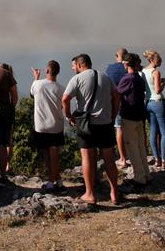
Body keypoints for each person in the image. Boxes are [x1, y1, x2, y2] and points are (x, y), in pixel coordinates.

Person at [62, 53, 120, 205]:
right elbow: (116, 96)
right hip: (105, 123)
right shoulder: (105, 77)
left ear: (80, 65)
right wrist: (112, 115)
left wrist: (69, 116)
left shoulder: (77, 79)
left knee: (87, 157)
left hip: (86, 124)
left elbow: (65, 99)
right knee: (108, 158)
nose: (73, 68)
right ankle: (114, 192)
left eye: (74, 66)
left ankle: (90, 193)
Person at [30, 60, 66, 192]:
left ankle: (52, 180)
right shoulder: (61, 88)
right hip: (56, 124)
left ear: (47, 71)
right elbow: (64, 104)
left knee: (46, 151)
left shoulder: (37, 84)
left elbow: (32, 94)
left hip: (41, 125)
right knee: (54, 151)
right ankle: (57, 179)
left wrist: (36, 78)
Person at [117, 53, 149, 187]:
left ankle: (139, 177)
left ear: (126, 64)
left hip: (129, 116)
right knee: (140, 146)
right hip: (139, 115)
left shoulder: (127, 79)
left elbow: (117, 93)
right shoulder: (140, 79)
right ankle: (146, 173)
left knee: (132, 147)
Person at [142, 50, 165, 169]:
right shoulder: (155, 72)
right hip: (158, 101)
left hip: (148, 102)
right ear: (153, 60)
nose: (160, 62)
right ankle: (164, 160)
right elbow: (158, 90)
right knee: (164, 133)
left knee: (153, 131)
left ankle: (156, 158)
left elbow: (148, 87)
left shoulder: (143, 71)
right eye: (159, 60)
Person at [105, 48, 129, 167]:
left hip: (115, 103)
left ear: (116, 56)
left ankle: (122, 158)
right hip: (129, 102)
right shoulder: (129, 68)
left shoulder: (110, 68)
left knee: (118, 129)